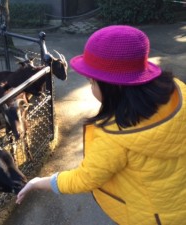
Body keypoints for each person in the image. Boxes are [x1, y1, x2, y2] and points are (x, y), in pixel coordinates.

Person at [16, 25, 186, 225]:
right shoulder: (178, 91)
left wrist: (38, 182)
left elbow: (85, 178)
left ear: (114, 86)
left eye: (91, 81)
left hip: (151, 217)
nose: (90, 86)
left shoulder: (114, 136)